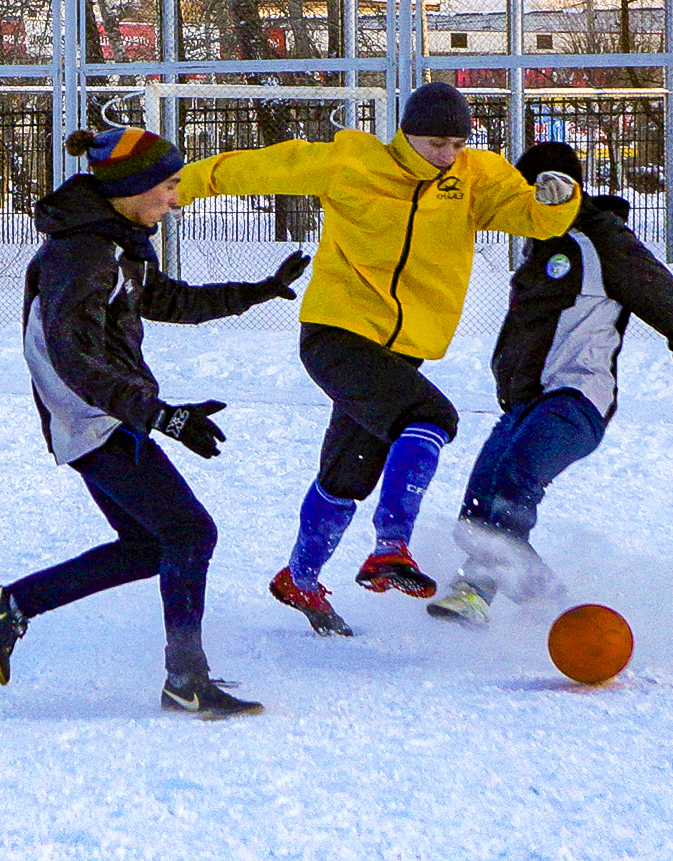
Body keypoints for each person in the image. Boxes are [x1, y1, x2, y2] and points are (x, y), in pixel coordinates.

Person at [175, 82, 581, 636]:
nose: (447, 154)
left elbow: (533, 220)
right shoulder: (353, 163)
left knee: (348, 474)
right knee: (431, 418)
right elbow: (259, 168)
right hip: (338, 332)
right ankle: (391, 547)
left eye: (457, 143)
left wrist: (555, 202)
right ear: (406, 134)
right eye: (435, 142)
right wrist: (182, 185)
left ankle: (300, 577)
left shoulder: (474, 178)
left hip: (403, 352)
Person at [0, 125, 310, 719]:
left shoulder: (115, 243)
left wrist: (254, 293)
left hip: (109, 418)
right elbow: (75, 358)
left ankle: (14, 604)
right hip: (96, 422)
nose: (176, 199)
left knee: (148, 545)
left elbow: (166, 301)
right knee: (189, 534)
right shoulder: (80, 256)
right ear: (132, 187)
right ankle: (186, 680)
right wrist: (160, 416)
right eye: (169, 185)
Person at [428, 142, 673, 626]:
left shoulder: (602, 242)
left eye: (532, 191)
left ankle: (475, 590)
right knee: (477, 511)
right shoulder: (540, 244)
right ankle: (554, 609)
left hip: (576, 398)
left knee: (515, 480)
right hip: (525, 404)